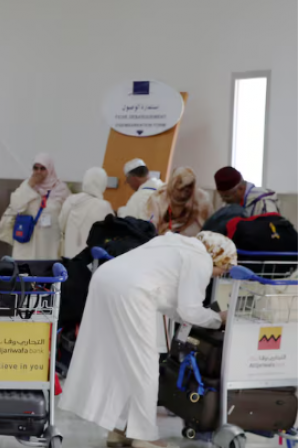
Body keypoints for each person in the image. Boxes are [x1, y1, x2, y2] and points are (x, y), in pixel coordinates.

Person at [59, 231, 235, 448]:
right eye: (222, 269)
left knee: (119, 362)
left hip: (105, 280)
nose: (217, 275)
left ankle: (119, 429)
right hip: (131, 292)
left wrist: (206, 317)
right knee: (145, 365)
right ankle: (145, 436)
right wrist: (219, 318)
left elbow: (172, 303)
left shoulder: (173, 243)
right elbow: (191, 311)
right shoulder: (201, 259)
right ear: (217, 257)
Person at [0, 153, 70, 259]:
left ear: (50, 169)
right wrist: (30, 186)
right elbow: (16, 205)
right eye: (36, 168)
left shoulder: (61, 189)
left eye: (42, 168)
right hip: (28, 238)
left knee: (46, 268)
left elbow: (67, 213)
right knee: (25, 269)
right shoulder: (27, 185)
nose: (38, 172)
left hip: (49, 241)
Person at [60, 167, 114, 258]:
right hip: (91, 258)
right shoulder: (104, 206)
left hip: (69, 253)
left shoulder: (70, 201)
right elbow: (111, 232)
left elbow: (61, 224)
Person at [147, 167, 212, 237]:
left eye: (188, 188)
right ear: (172, 186)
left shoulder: (202, 199)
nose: (184, 194)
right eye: (181, 189)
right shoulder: (158, 198)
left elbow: (209, 227)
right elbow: (151, 225)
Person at [214, 166, 279, 217]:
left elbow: (272, 231)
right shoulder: (230, 204)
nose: (223, 200)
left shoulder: (263, 202)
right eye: (221, 196)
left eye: (227, 196)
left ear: (241, 188)